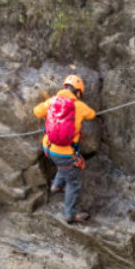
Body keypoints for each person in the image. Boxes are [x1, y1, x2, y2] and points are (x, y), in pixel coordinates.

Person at [34, 75, 97, 224]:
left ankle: (56, 185)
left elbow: (37, 111)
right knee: (73, 183)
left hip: (48, 148)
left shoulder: (52, 101)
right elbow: (92, 114)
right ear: (79, 92)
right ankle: (70, 214)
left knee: (62, 166)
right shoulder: (79, 106)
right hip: (65, 153)